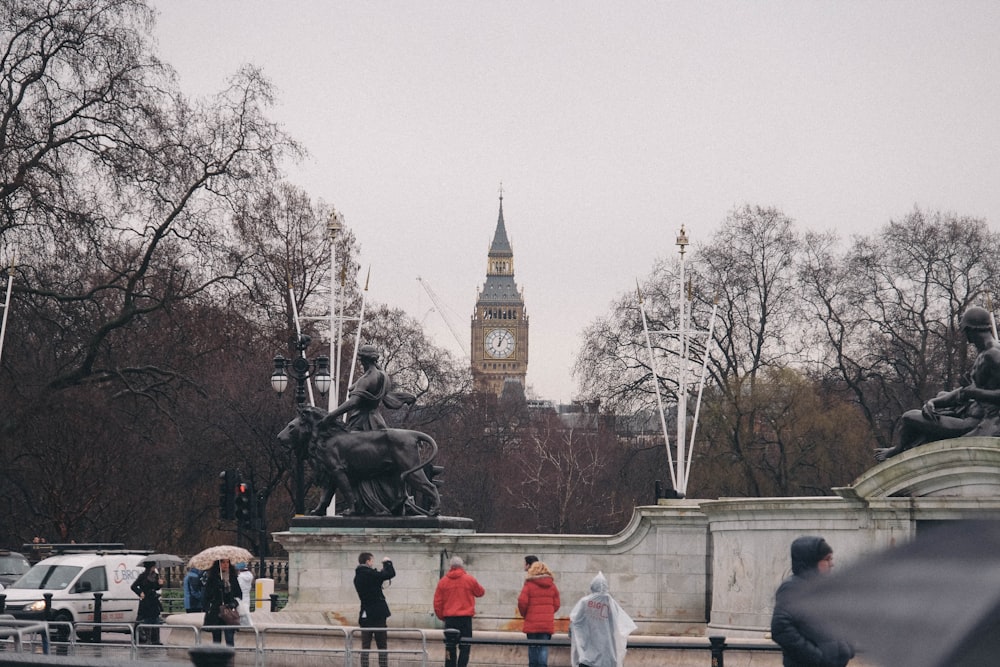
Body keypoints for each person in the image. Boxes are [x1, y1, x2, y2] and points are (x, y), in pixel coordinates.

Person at [877, 305, 1000, 461]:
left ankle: (899, 449)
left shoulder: (993, 355)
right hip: (968, 412)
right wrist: (934, 402)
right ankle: (901, 448)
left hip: (975, 422)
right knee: (940, 396)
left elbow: (971, 392)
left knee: (909, 417)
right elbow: (963, 392)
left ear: (970, 330)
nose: (965, 337)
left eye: (964, 331)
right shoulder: (984, 353)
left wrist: (972, 392)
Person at [770, 536, 853, 667]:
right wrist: (817, 657)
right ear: (811, 561)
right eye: (827, 559)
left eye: (831, 558)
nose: (832, 563)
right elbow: (780, 629)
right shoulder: (793, 588)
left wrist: (845, 649)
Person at [322, 344, 414, 432]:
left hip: (361, 423)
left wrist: (330, 416)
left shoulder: (366, 379)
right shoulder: (384, 376)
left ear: (363, 360)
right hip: (377, 420)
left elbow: (353, 402)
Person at [568, 572, 636, 667]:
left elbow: (575, 622)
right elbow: (618, 625)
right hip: (607, 653)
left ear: (592, 586)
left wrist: (573, 634)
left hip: (587, 650)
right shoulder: (611, 604)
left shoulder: (585, 602)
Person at [433, 556, 486, 667]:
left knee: (450, 647)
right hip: (465, 619)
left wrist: (442, 617)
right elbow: (480, 592)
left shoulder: (443, 582)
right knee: (465, 646)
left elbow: (437, 603)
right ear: (462, 566)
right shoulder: (469, 579)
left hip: (450, 619)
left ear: (451, 566)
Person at [354, 552, 396, 667]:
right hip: (377, 615)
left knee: (365, 647)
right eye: (372, 561)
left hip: (365, 614)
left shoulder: (357, 577)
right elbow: (390, 573)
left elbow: (377, 579)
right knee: (382, 646)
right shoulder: (371, 574)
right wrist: (387, 562)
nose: (372, 563)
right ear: (368, 561)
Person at [518, 561, 560, 667]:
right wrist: (548, 613)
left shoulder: (528, 585)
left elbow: (522, 602)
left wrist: (525, 614)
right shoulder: (552, 586)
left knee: (532, 647)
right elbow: (557, 604)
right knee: (543, 647)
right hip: (546, 623)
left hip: (531, 622)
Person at [203, 558, 242, 647]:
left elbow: (239, 594)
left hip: (229, 611)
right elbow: (207, 595)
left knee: (229, 638)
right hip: (216, 612)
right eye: (222, 562)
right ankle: (218, 659)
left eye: (227, 562)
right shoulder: (212, 578)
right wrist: (217, 587)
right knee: (216, 639)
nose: (225, 564)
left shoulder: (232, 578)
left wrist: (234, 603)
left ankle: (230, 658)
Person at [130, 561, 164, 644]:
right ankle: (146, 638)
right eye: (153, 566)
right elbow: (133, 586)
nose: (155, 568)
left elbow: (156, 588)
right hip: (146, 600)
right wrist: (140, 592)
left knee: (155, 619)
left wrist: (160, 584)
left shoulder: (156, 576)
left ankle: (156, 640)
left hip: (153, 600)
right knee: (146, 619)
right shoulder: (142, 576)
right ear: (150, 567)